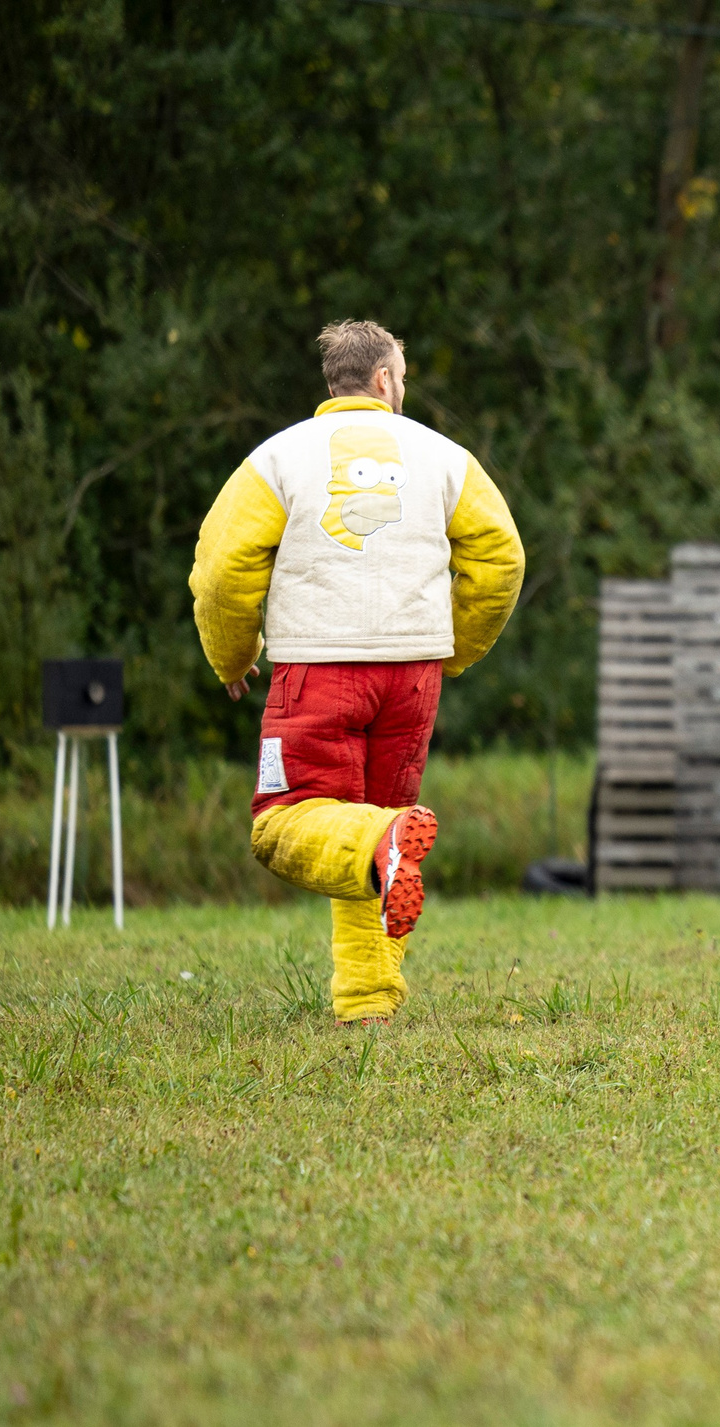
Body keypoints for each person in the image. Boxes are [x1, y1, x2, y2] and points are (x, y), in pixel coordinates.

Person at [189, 320, 524, 1024]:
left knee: (283, 825)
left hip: (319, 668)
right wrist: (453, 645)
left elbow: (223, 569)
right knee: (374, 831)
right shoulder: (445, 458)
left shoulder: (276, 459)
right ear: (383, 380)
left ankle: (379, 848)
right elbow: (501, 559)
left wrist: (232, 652)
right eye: (403, 375)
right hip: (413, 677)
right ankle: (368, 1003)